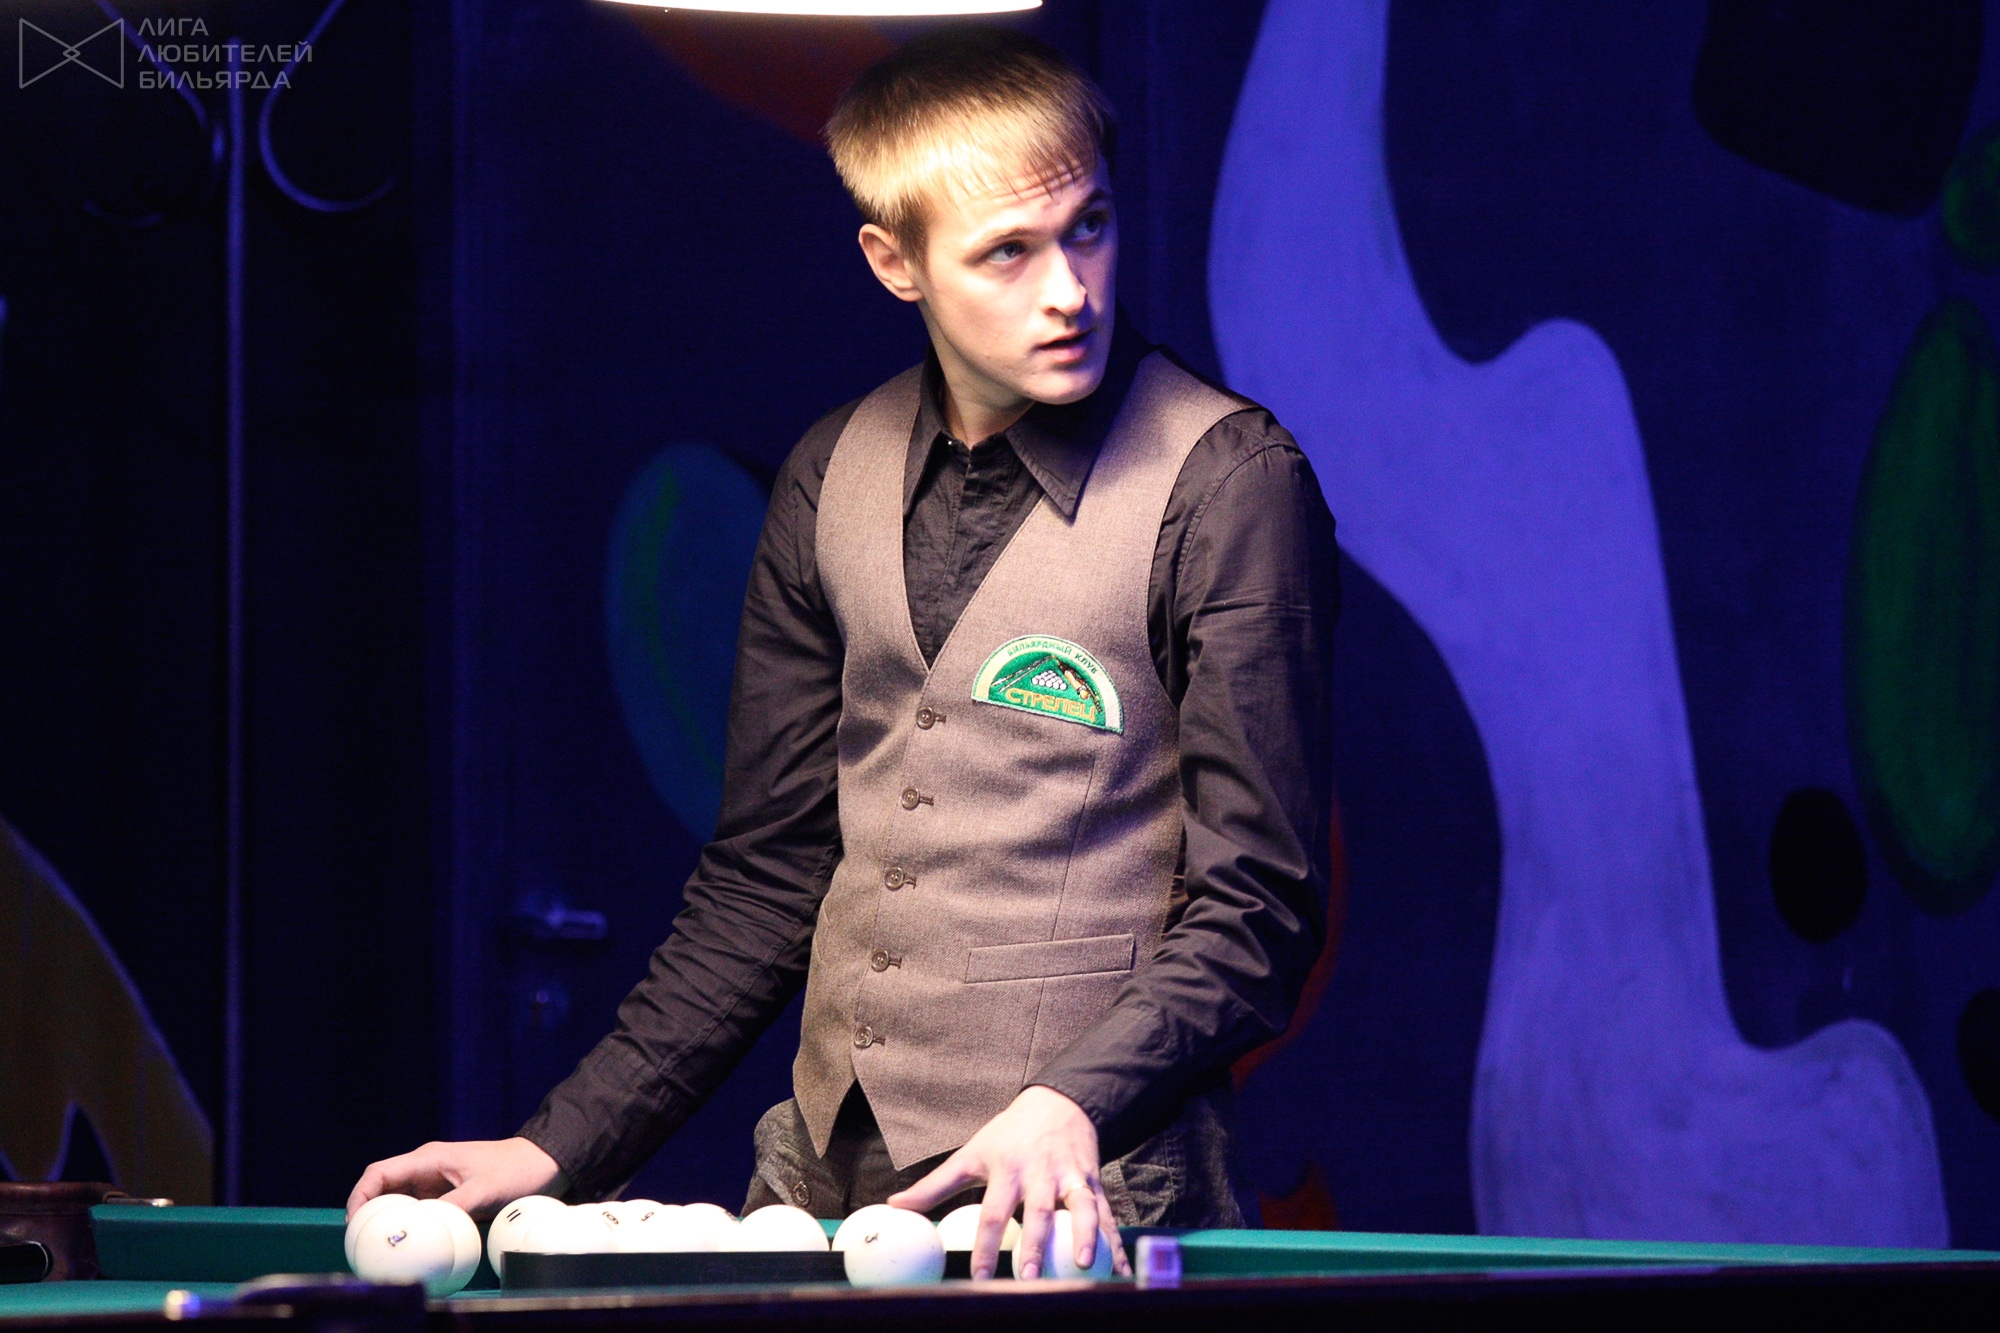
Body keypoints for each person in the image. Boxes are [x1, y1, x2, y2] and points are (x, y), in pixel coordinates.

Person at [347, 25, 1338, 1283]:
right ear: (893, 262)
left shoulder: (1229, 482)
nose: (1069, 290)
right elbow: (764, 882)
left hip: (1087, 1188)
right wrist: (556, 1147)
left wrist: (1072, 1098)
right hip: (815, 1188)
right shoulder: (828, 473)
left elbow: (1258, 908)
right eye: (1007, 252)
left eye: (1087, 227)